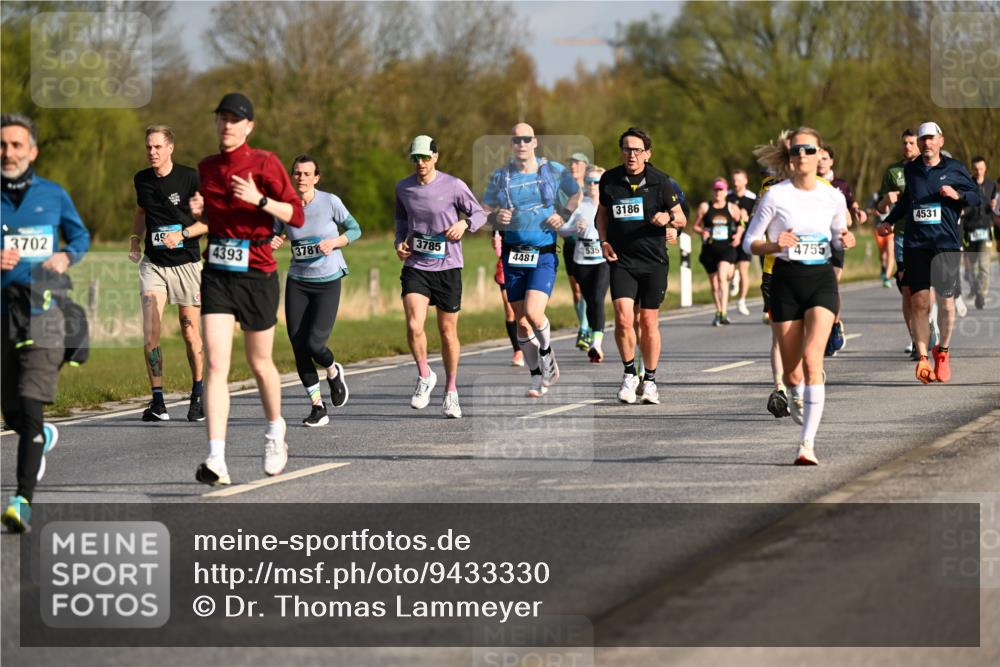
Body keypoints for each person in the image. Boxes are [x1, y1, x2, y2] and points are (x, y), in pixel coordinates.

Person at [190, 93, 305, 486]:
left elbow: (297, 214)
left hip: (257, 272)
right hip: (219, 272)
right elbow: (211, 211)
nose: (226, 125)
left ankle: (275, 432)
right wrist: (198, 210)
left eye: (234, 119)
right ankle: (216, 458)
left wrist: (260, 200)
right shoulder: (206, 168)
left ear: (248, 126)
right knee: (217, 365)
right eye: (221, 118)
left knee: (260, 364)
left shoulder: (265, 162)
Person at [744, 127, 855, 465]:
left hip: (820, 279)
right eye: (796, 151)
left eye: (809, 150)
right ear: (789, 157)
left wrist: (844, 241)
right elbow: (750, 242)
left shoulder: (832, 196)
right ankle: (794, 393)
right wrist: (776, 245)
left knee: (812, 360)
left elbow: (838, 236)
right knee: (793, 373)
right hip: (786, 282)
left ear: (821, 153)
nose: (803, 156)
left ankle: (807, 445)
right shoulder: (776, 196)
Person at [2, 113, 90, 532]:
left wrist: (64, 256)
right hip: (4, 316)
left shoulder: (53, 196)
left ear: (32, 151)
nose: (8, 152)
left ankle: (22, 500)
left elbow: (81, 237)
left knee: (31, 402)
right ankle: (40, 436)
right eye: (2, 145)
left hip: (44, 312)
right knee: (13, 412)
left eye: (17, 145)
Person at [879, 122, 980, 384]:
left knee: (946, 304)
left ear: (940, 141)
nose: (926, 143)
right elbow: (904, 202)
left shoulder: (954, 168)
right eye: (923, 139)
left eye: (931, 139)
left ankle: (942, 352)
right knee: (920, 302)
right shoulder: (911, 171)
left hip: (945, 243)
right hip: (916, 244)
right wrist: (889, 220)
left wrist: (957, 194)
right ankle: (923, 358)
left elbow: (976, 196)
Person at [483, 123, 579, 398]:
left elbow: (575, 193)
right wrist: (494, 217)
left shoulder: (553, 170)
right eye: (516, 139)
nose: (521, 144)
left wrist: (563, 213)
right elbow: (485, 207)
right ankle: (537, 376)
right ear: (512, 144)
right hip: (513, 254)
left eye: (526, 139)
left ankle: (547, 356)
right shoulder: (501, 176)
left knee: (535, 315)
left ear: (535, 142)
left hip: (543, 253)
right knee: (521, 322)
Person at [395, 135, 486, 417]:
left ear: (436, 156)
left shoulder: (454, 185)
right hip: (417, 266)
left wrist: (464, 223)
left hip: (447, 267)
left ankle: (451, 391)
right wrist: (399, 243)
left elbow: (480, 214)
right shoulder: (403, 188)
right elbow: (400, 221)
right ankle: (425, 375)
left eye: (425, 157)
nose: (420, 163)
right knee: (413, 324)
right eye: (416, 158)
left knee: (448, 333)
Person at [595, 127, 686, 404]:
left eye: (636, 150)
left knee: (648, 322)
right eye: (626, 149)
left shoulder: (661, 181)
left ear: (647, 153)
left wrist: (667, 220)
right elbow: (602, 214)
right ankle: (628, 374)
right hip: (622, 260)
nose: (631, 154)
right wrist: (603, 242)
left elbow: (680, 218)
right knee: (623, 318)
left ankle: (651, 380)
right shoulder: (609, 180)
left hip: (653, 261)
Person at [271, 155, 358, 427]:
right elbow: (273, 233)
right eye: (297, 173)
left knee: (315, 344)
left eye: (307, 174)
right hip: (298, 281)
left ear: (316, 178)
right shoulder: (285, 206)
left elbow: (355, 229)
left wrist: (335, 242)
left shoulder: (330, 201)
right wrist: (273, 239)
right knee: (298, 345)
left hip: (328, 280)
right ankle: (317, 406)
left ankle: (332, 371)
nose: (301, 178)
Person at [128, 125, 207, 423]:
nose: (152, 152)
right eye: (149, 147)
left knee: (189, 331)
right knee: (151, 330)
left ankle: (198, 393)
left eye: (158, 147)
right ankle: (158, 401)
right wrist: (135, 240)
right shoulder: (142, 180)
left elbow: (209, 222)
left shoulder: (190, 178)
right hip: (154, 264)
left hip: (186, 263)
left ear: (170, 148)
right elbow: (140, 213)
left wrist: (184, 234)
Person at [817, 144, 867, 357]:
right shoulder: (808, 185)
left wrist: (857, 211)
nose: (820, 161)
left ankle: (834, 326)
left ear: (832, 161)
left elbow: (852, 203)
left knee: (832, 286)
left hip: (837, 241)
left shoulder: (840, 185)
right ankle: (823, 328)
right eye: (818, 158)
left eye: (825, 158)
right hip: (817, 241)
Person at [876, 129, 923, 358]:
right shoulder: (893, 171)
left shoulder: (929, 168)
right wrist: (887, 200)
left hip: (927, 235)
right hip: (903, 235)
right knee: (906, 289)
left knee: (924, 288)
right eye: (904, 143)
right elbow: (881, 209)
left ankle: (927, 322)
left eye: (912, 143)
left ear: (920, 144)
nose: (907, 147)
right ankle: (915, 340)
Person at [559, 166, 609, 362]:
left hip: (603, 258)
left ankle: (597, 342)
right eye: (589, 181)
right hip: (581, 258)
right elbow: (561, 230)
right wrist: (573, 227)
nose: (593, 185)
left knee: (597, 298)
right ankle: (591, 336)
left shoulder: (609, 204)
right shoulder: (578, 205)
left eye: (597, 181)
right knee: (589, 300)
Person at [693, 177, 743, 326]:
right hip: (709, 249)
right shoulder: (705, 207)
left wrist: (739, 235)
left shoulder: (732, 208)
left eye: (721, 189)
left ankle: (725, 312)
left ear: (726, 191)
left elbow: (741, 223)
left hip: (726, 248)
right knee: (714, 284)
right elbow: (695, 226)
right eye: (716, 189)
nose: (718, 192)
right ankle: (719, 311)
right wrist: (702, 232)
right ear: (712, 191)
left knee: (722, 277)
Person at [960, 156, 997, 310]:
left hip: (985, 230)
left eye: (981, 168)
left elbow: (994, 202)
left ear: (985, 168)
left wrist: (993, 205)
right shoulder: (966, 185)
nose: (978, 171)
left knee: (984, 265)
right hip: (970, 231)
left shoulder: (991, 184)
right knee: (972, 268)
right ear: (972, 169)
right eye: (975, 169)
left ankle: (981, 293)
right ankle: (976, 289)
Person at [564, 152, 591, 350]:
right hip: (571, 243)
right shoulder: (562, 191)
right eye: (571, 163)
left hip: (590, 244)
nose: (573, 166)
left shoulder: (592, 187)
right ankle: (585, 325)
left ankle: (585, 328)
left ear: (585, 166)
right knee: (576, 290)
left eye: (577, 163)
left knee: (588, 289)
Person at [492, 230, 524, 367]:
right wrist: (496, 243)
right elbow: (497, 248)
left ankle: (530, 342)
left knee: (526, 311)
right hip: (505, 265)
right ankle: (518, 351)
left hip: (527, 262)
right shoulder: (500, 216)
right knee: (510, 311)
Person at [727, 168, 756, 315]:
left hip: (745, 236)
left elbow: (756, 218)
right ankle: (734, 277)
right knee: (729, 272)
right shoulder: (727, 196)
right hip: (729, 237)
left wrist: (746, 218)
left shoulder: (752, 198)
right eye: (734, 180)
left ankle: (742, 301)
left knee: (744, 268)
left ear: (745, 181)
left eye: (739, 180)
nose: (736, 183)